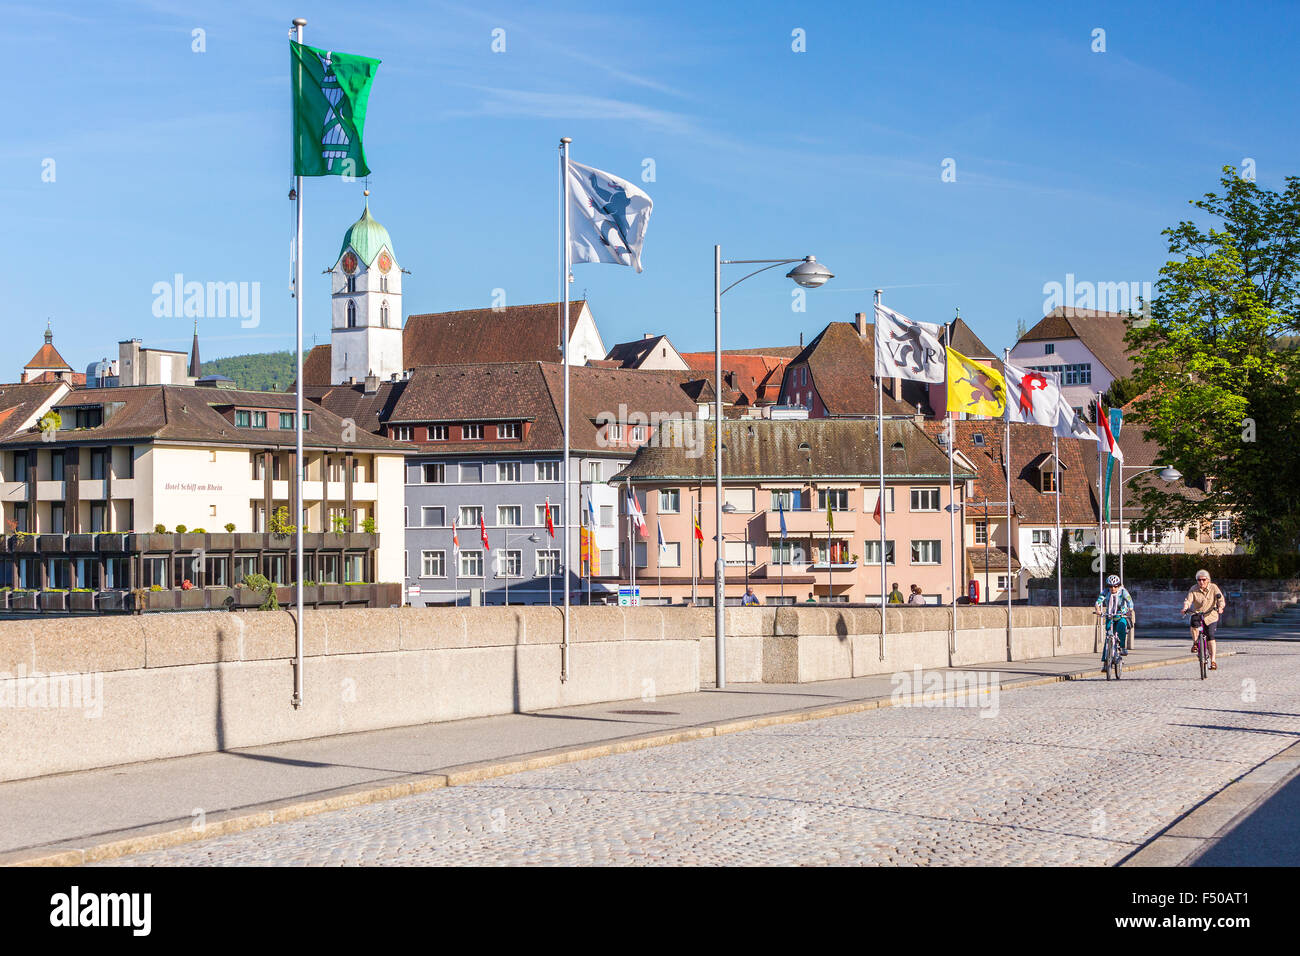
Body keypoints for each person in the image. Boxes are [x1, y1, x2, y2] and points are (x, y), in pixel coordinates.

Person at [1182, 569, 1226, 670]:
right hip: (1198, 613)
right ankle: (1195, 643)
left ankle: (1213, 661)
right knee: (1193, 623)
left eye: (1203, 579)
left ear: (1208, 580)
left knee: (1210, 636)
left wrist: (1220, 607)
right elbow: (1188, 600)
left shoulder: (1214, 587)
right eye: (1199, 580)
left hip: (1211, 615)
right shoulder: (1193, 589)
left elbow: (1220, 599)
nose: (1201, 582)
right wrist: (1185, 608)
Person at [1094, 574, 1135, 670]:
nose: (1113, 588)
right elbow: (1098, 601)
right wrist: (1097, 610)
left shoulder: (1123, 592)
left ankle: (1122, 647)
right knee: (1108, 636)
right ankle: (1105, 662)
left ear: (1119, 585)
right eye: (1110, 586)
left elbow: (1130, 602)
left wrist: (1129, 610)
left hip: (1121, 615)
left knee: (1121, 627)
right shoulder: (1105, 592)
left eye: (1115, 586)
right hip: (1110, 615)